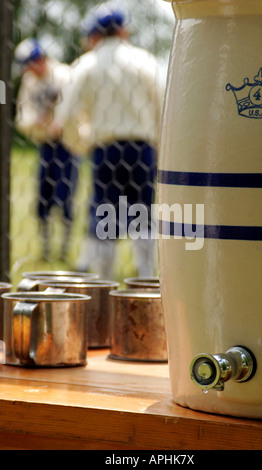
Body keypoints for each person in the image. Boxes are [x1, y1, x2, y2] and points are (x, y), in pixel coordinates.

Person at [61, 3, 165, 279]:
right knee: (142, 211)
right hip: (141, 149)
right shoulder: (145, 60)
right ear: (123, 30)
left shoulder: (87, 63)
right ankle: (146, 277)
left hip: (105, 149)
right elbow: (163, 104)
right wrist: (159, 143)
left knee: (105, 214)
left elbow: (67, 112)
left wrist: (79, 143)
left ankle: (104, 283)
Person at [14, 38, 79, 261]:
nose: (27, 70)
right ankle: (45, 250)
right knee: (43, 196)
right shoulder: (29, 81)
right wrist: (38, 123)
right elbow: (22, 118)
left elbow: (76, 107)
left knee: (66, 196)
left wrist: (59, 122)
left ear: (39, 59)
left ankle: (64, 250)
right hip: (45, 146)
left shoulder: (64, 74)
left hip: (67, 145)